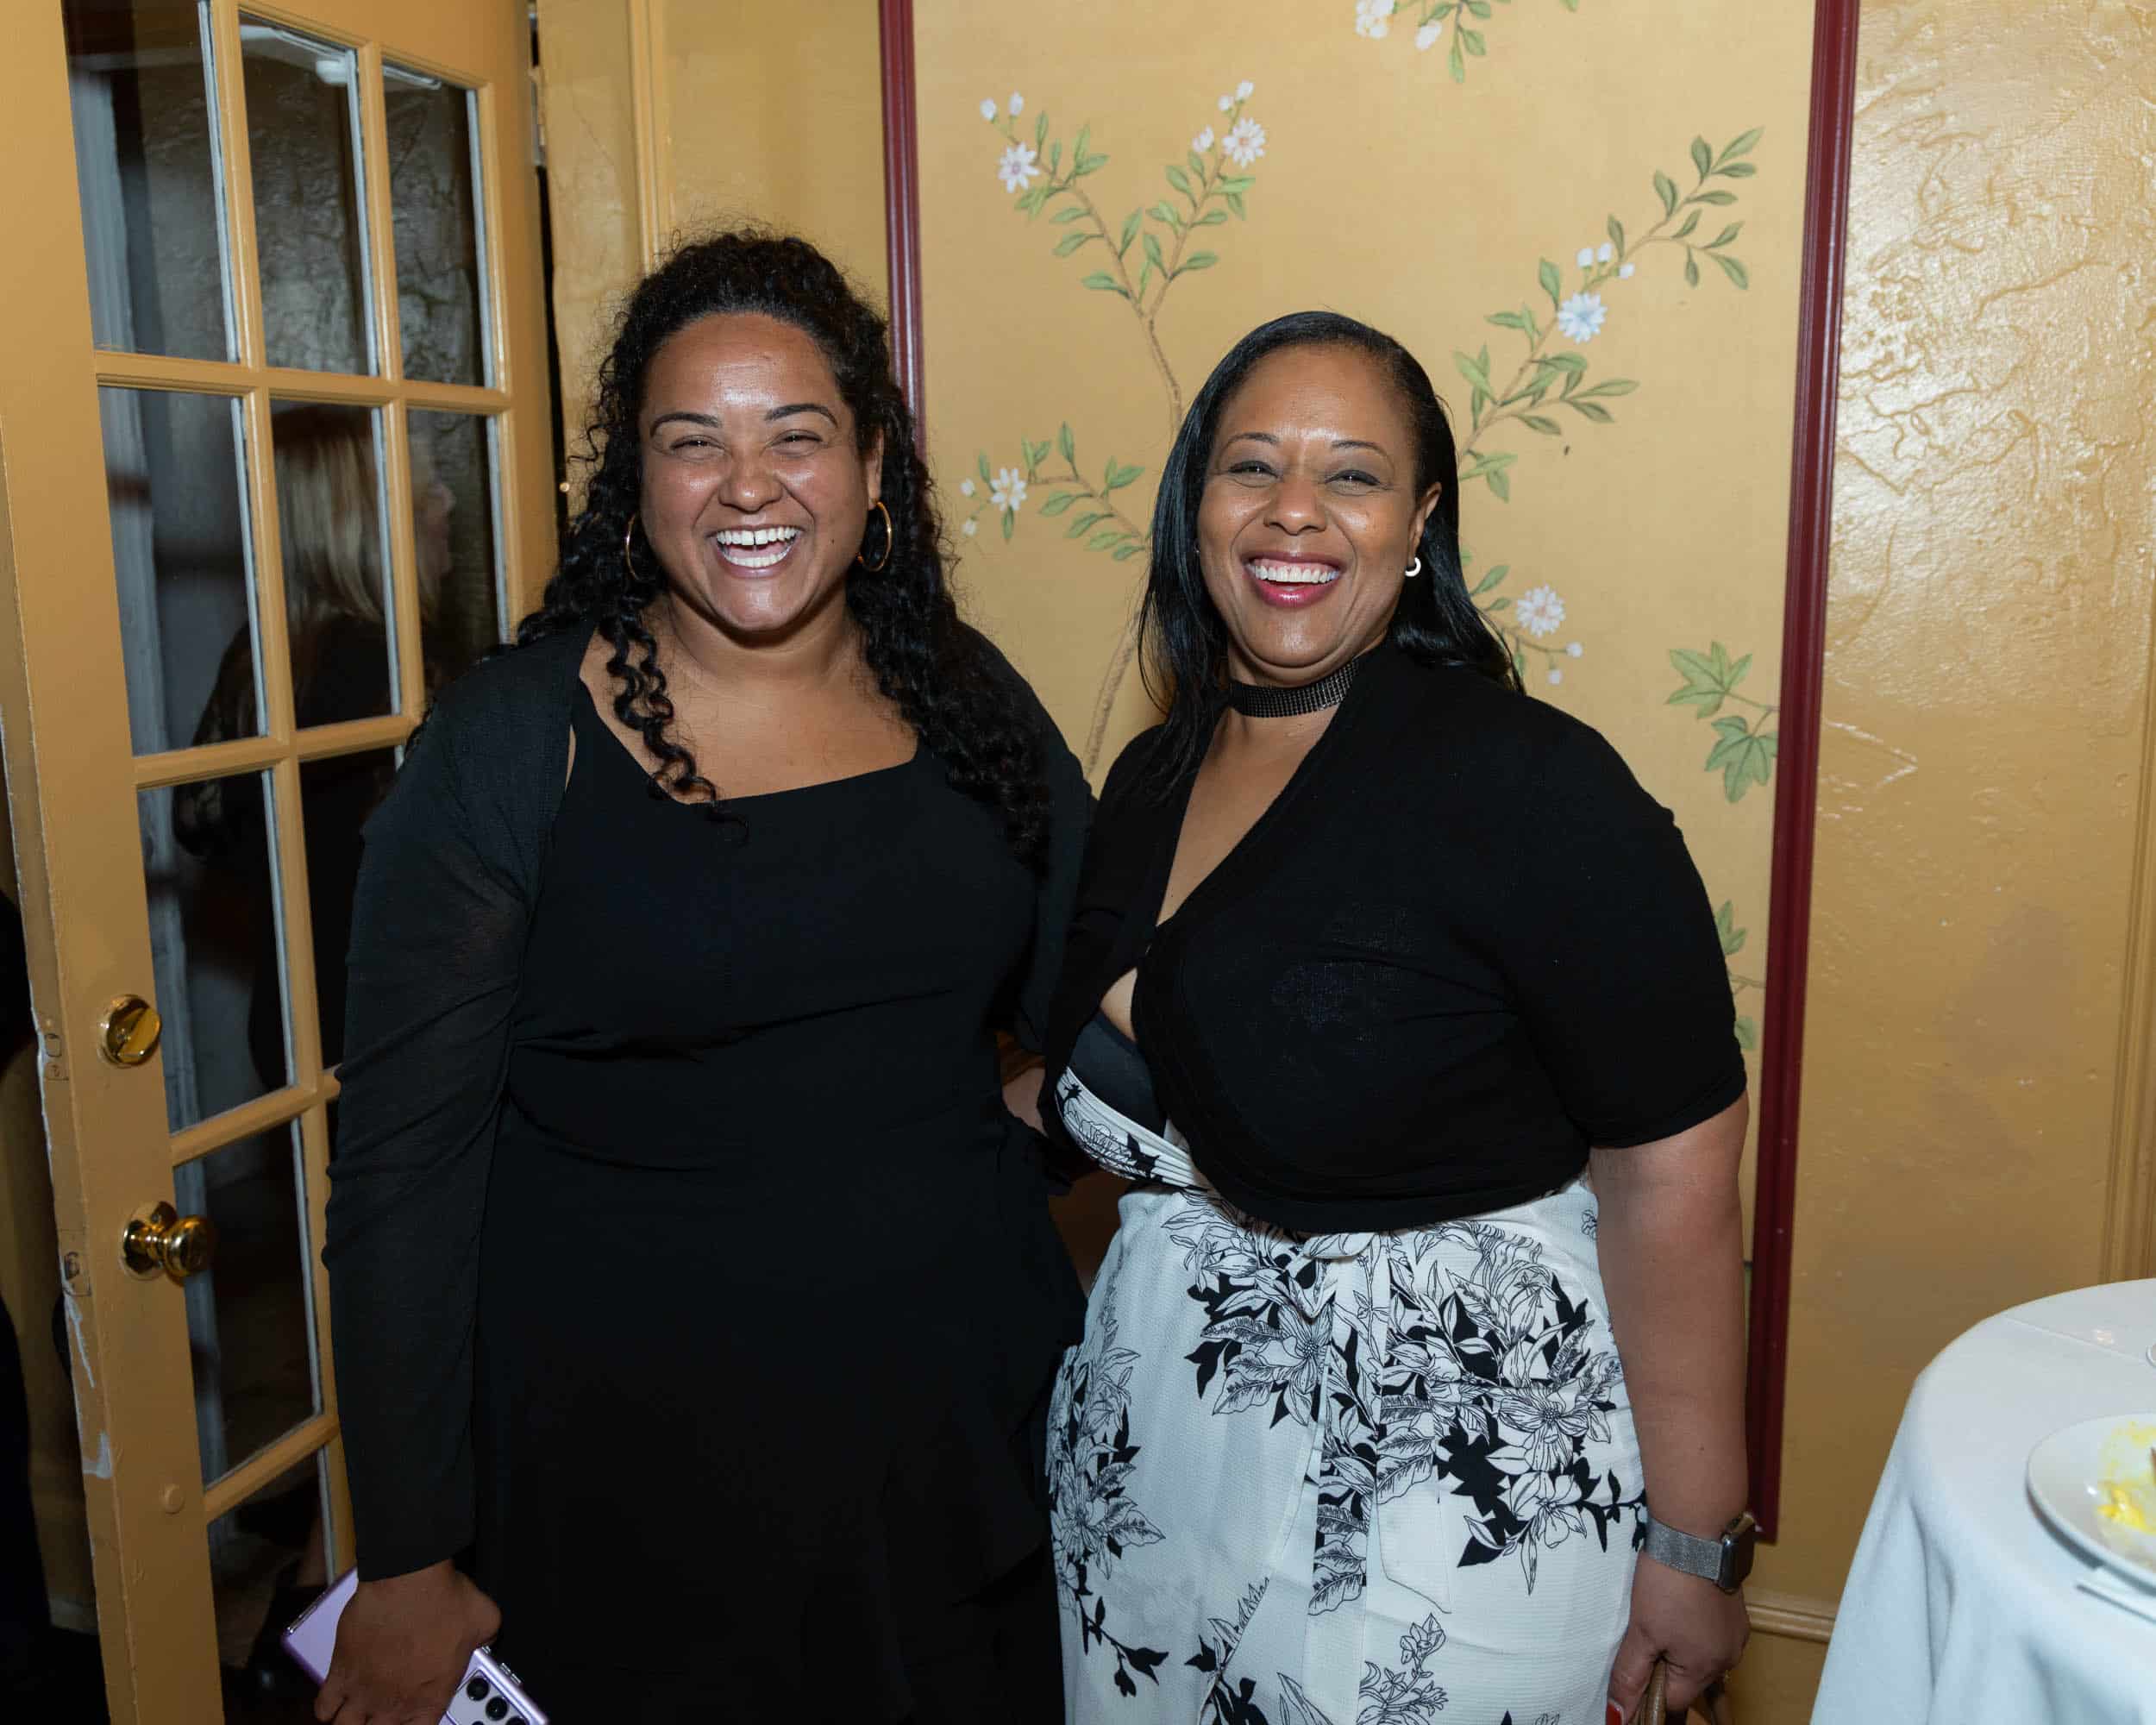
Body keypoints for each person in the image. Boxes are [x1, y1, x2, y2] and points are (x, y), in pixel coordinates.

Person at [318, 230, 1090, 1722]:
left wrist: (985, 1146)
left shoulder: (966, 694)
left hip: (958, 1455)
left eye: (796, 436)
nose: (748, 486)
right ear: (636, 484)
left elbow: (1102, 990)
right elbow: (402, 1176)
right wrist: (409, 1556)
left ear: (872, 468)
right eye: (694, 442)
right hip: (633, 1487)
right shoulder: (512, 744)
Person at [1036, 311, 1752, 1724]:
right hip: (1157, 1467)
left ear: (1420, 522)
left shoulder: (1532, 788)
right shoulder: (1150, 779)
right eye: (1252, 466)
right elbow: (1127, 1080)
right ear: (1197, 509)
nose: (1294, 509)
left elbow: (1674, 1178)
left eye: (1351, 475)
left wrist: (1695, 1541)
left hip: (1445, 1498)